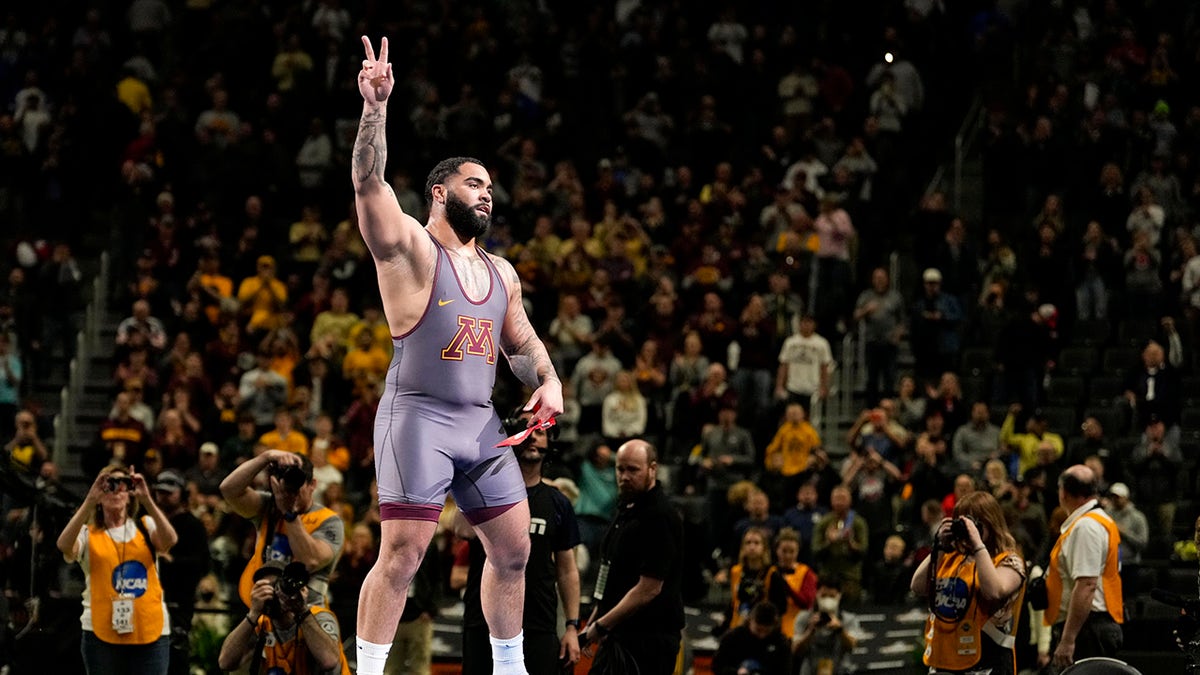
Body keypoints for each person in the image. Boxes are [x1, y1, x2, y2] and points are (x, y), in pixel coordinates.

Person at [350, 36, 564, 675]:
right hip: (417, 417)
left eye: (491, 187)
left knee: (514, 549)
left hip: (478, 423)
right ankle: (366, 669)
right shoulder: (413, 251)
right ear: (439, 194)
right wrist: (375, 110)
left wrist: (549, 382)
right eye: (475, 184)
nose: (488, 195)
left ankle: (508, 668)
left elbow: (522, 344)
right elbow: (367, 181)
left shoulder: (502, 271)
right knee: (404, 553)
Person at [459, 409, 582, 674]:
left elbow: (567, 569)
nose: (533, 437)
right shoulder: (483, 491)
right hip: (484, 624)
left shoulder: (557, 502)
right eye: (525, 429)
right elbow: (461, 530)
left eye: (540, 431)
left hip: (537, 625)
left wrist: (572, 625)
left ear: (550, 441)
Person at [55, 466, 179, 674]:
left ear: (130, 495)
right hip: (100, 631)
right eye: (109, 485)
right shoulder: (87, 533)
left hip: (150, 629)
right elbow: (64, 545)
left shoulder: (145, 525)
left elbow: (169, 541)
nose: (116, 490)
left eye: (123, 484)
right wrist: (89, 501)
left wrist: (147, 499)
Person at [580, 440, 684, 675]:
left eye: (633, 470)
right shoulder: (625, 509)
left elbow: (649, 588)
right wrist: (596, 623)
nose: (625, 476)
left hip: (649, 640)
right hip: (617, 633)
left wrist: (599, 627)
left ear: (652, 469)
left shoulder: (660, 516)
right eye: (620, 469)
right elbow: (610, 573)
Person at [910, 490, 1027, 674]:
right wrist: (939, 547)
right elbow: (917, 587)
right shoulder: (950, 556)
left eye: (974, 523)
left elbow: (994, 591)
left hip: (987, 662)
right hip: (945, 660)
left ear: (991, 523)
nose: (967, 529)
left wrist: (978, 545)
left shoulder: (1009, 561)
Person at [219, 450, 344, 611]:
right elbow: (228, 489)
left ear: (312, 485)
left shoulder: (329, 520)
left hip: (304, 616)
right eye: (286, 485)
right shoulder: (270, 506)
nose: (291, 493)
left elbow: (310, 560)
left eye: (297, 486)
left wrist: (289, 513)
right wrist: (265, 458)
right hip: (262, 614)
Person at [1042, 464, 1123, 670]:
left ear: (1063, 493)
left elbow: (1087, 585)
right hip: (1089, 626)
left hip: (1087, 630)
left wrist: (1068, 639)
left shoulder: (1086, 527)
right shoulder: (1096, 520)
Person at [217, 560, 350, 674]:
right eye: (264, 587)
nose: (272, 593)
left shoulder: (318, 616)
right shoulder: (261, 624)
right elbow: (225, 662)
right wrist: (253, 614)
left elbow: (329, 661)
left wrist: (302, 611)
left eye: (276, 586)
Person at [151, 470, 210, 675]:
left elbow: (202, 563)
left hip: (178, 598)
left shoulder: (193, 525)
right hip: (148, 597)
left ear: (181, 494)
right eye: (160, 492)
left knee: (175, 652)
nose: (164, 496)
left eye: (169, 492)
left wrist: (171, 561)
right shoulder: (146, 522)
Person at [791, 576, 860, 675]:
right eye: (823, 595)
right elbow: (795, 650)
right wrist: (810, 631)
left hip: (839, 670)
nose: (827, 599)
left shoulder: (848, 619)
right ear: (817, 594)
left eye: (832, 596)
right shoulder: (804, 617)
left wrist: (840, 630)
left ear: (839, 596)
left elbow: (852, 646)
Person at [712, 602, 792, 675]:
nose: (762, 635)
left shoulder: (780, 643)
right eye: (758, 630)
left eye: (767, 631)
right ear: (750, 621)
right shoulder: (734, 636)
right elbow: (717, 665)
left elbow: (785, 670)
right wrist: (736, 672)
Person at [1104, 483, 1148, 565]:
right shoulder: (1106, 514)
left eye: (1118, 497)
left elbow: (1142, 543)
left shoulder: (1138, 517)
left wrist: (1125, 532)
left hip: (1130, 562)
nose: (1115, 500)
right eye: (1113, 497)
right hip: (1109, 562)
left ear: (1126, 498)